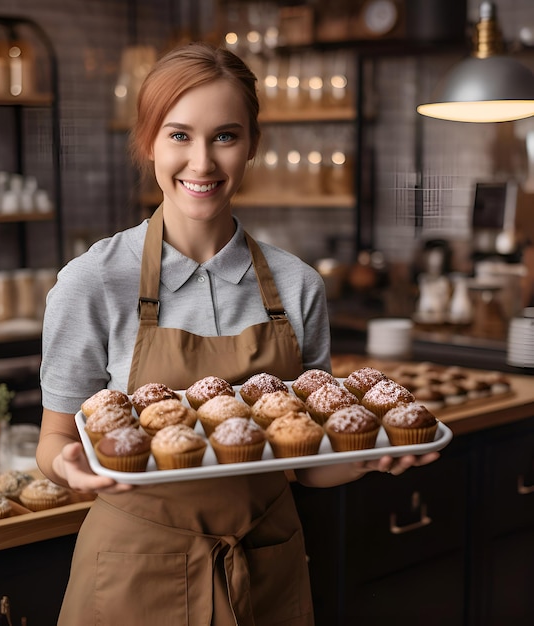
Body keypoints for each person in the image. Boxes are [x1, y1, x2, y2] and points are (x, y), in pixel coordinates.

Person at [37, 41, 439, 626]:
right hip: (136, 570)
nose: (201, 163)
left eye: (225, 136)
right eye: (179, 136)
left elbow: (307, 458)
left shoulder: (298, 285)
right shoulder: (92, 282)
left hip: (266, 562)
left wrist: (370, 458)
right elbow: (53, 441)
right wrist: (69, 468)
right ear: (149, 143)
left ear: (252, 146)